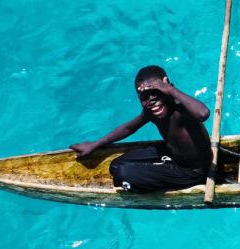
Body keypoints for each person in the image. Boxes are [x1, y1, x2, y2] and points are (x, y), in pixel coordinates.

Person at [69, 65, 212, 193]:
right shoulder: (151, 112)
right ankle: (162, 168)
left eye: (156, 92)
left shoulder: (181, 109)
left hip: (192, 172)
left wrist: (169, 88)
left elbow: (203, 113)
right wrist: (95, 145)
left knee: (122, 176)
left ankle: (167, 183)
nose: (152, 101)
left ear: (166, 86)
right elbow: (129, 128)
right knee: (115, 165)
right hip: (171, 155)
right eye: (144, 97)